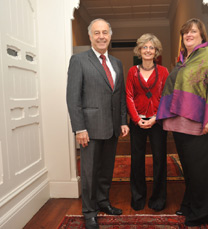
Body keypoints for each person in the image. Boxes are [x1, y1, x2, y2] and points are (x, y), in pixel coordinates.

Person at [156, 18, 208, 226]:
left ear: (201, 35)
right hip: (182, 126)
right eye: (186, 32)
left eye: (194, 32)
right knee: (189, 169)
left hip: (202, 124)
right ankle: (190, 204)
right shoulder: (183, 60)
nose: (189, 35)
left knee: (203, 170)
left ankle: (203, 212)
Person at [66, 18, 129, 229]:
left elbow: (119, 96)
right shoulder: (79, 60)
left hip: (111, 129)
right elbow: (73, 98)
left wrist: (122, 121)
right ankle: (89, 212)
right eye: (97, 33)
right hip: (89, 129)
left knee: (106, 170)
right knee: (89, 172)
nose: (101, 36)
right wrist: (79, 128)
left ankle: (103, 202)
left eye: (105, 32)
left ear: (110, 36)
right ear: (90, 37)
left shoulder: (117, 63)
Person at [126, 34, 169, 211]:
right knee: (137, 161)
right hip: (137, 122)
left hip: (157, 122)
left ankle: (158, 199)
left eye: (152, 47)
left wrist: (155, 118)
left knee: (159, 160)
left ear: (156, 51)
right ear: (139, 50)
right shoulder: (132, 72)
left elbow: (167, 98)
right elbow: (128, 96)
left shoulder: (164, 71)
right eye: (145, 47)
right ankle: (138, 198)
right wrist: (137, 119)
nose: (148, 50)